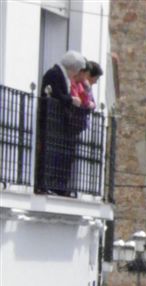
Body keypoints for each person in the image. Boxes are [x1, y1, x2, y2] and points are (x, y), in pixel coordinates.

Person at [36, 50, 86, 196]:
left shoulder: (60, 74)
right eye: (76, 72)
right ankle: (45, 183)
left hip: (57, 123)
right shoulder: (54, 74)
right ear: (72, 68)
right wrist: (71, 100)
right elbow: (56, 94)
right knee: (49, 153)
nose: (75, 76)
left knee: (58, 155)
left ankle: (56, 185)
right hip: (50, 121)